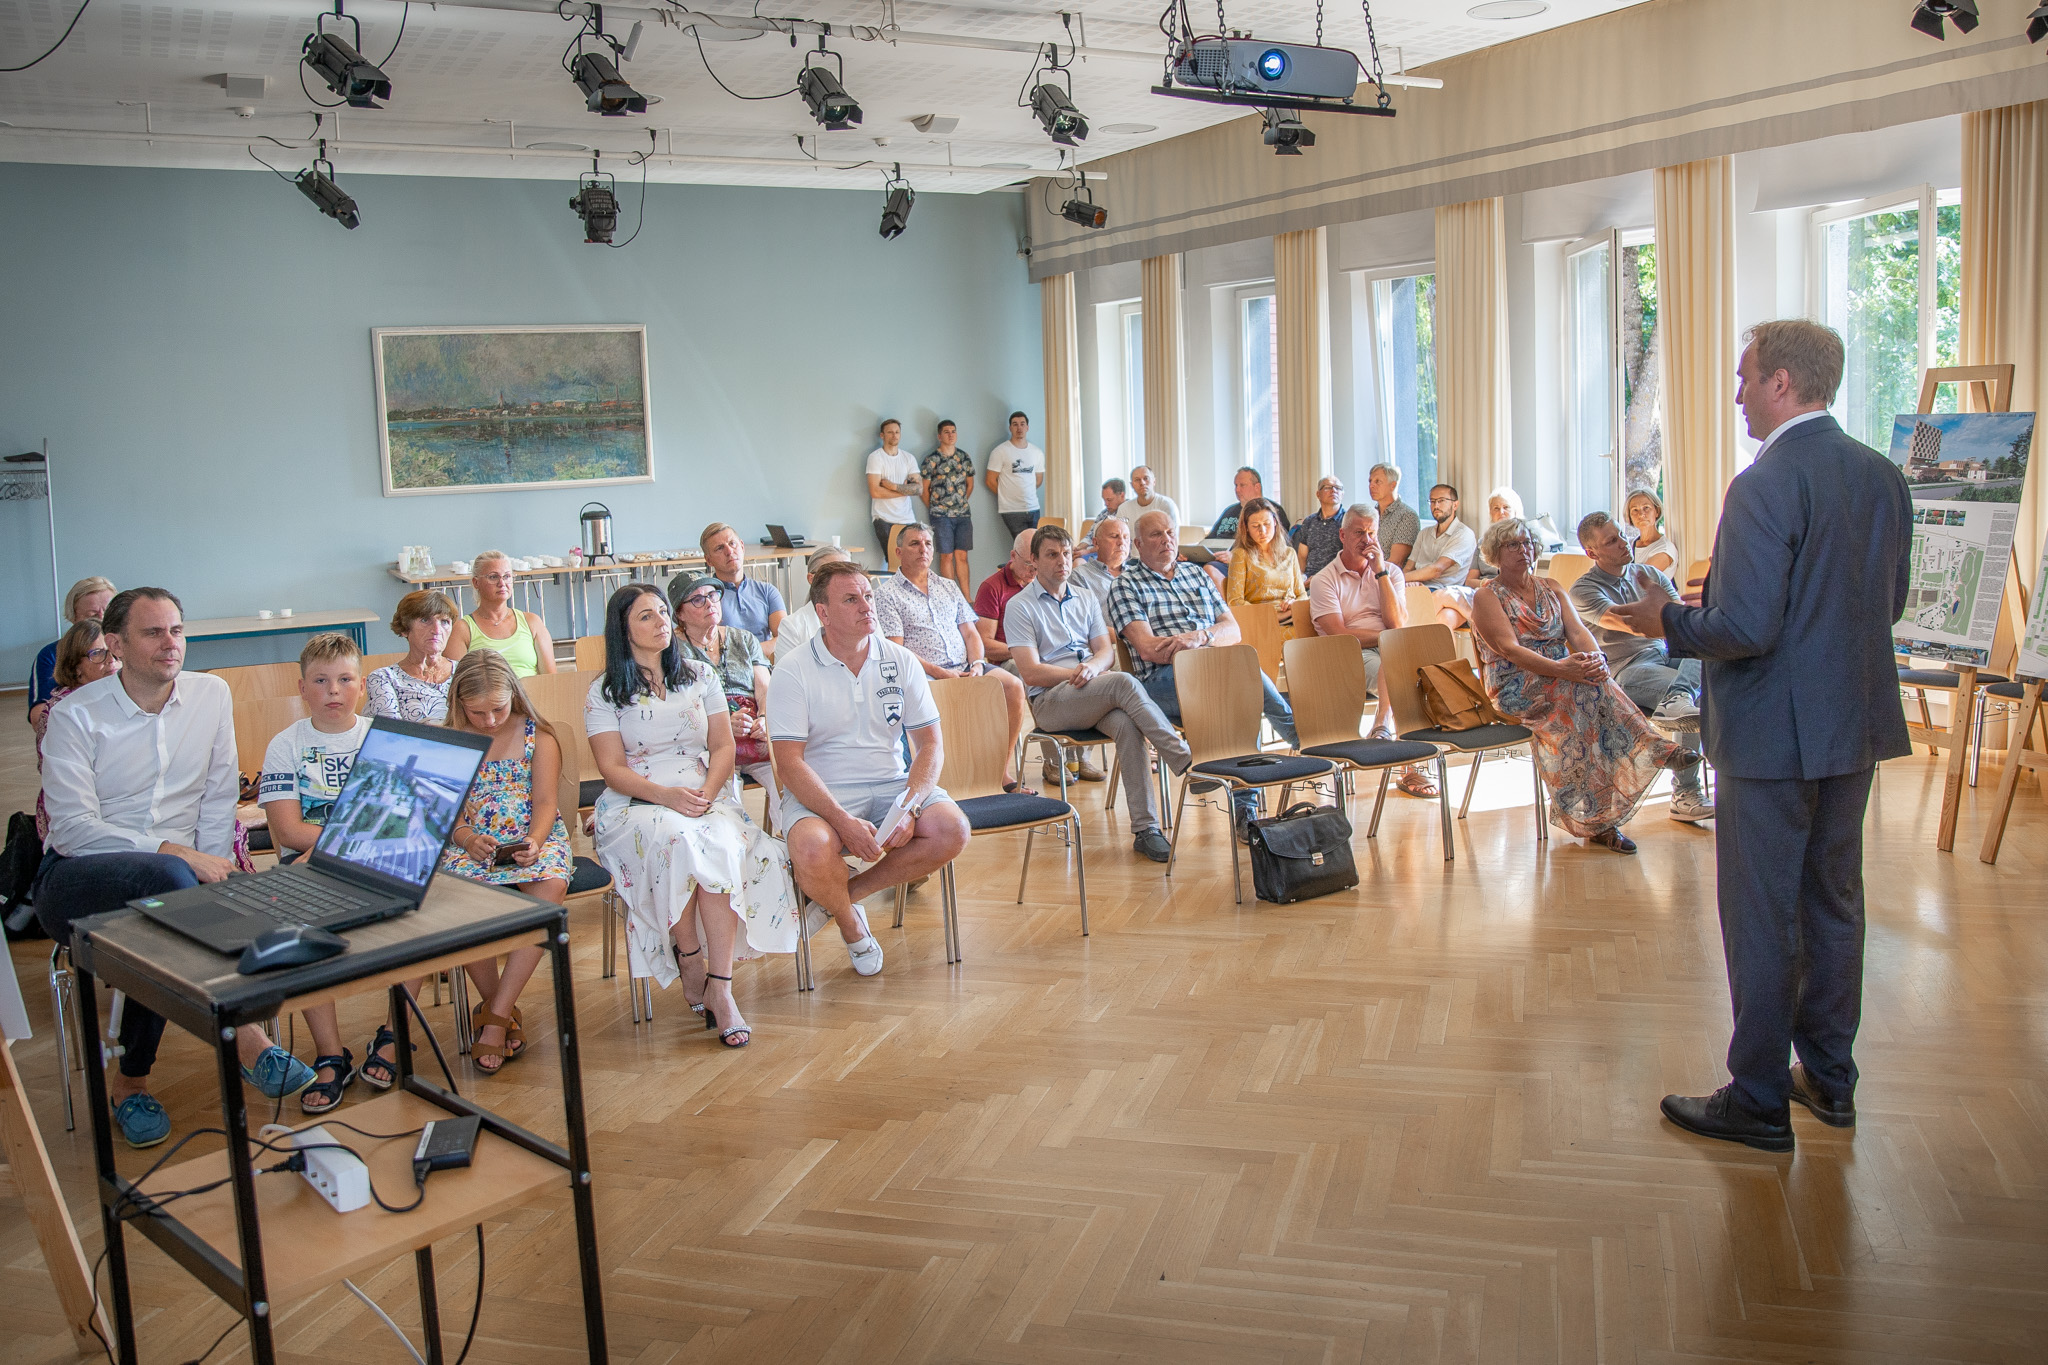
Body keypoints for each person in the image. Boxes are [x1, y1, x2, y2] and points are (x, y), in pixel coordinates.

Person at [1605, 319, 1912, 1154]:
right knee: (1833, 903)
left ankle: (1759, 1098)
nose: (1736, 393)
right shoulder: (1884, 475)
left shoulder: (1764, 482)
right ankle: (1832, 1081)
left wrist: (1662, 617)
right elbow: (1889, 603)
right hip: (1854, 724)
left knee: (1761, 914)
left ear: (1782, 382)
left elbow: (1743, 624)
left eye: (1744, 377)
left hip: (1774, 733)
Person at [35, 588, 313, 1147]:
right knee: (170, 885)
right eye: (154, 633)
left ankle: (129, 1084)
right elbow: (71, 828)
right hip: (77, 877)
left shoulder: (209, 695)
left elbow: (216, 802)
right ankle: (246, 1039)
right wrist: (175, 853)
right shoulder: (75, 716)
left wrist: (212, 866)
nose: (172, 644)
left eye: (178, 631)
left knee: (166, 912)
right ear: (114, 644)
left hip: (179, 886)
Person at [587, 584, 799, 1047]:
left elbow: (723, 746)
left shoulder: (700, 675)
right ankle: (688, 955)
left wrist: (704, 792)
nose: (662, 621)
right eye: (646, 616)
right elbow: (611, 769)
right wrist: (667, 797)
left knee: (719, 843)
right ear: (623, 629)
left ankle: (719, 987)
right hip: (637, 799)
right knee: (676, 840)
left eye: (664, 612)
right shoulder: (604, 691)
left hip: (704, 788)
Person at [768, 561, 972, 978]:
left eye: (869, 596)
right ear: (823, 613)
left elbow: (930, 744)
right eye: (851, 599)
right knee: (811, 846)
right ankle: (851, 926)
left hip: (891, 785)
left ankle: (842, 895)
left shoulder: (900, 660)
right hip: (822, 792)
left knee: (953, 828)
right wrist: (841, 821)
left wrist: (910, 806)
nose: (867, 607)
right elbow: (789, 763)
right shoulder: (792, 668)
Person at [1469, 518, 1694, 856]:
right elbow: (1509, 649)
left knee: (1593, 683)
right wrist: (1564, 669)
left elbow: (1578, 633)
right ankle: (1647, 753)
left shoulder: (1552, 587)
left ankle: (1601, 817)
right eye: (1512, 545)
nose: (1523, 549)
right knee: (1581, 692)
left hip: (1563, 676)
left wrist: (1595, 660)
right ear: (1495, 553)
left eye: (1527, 542)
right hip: (1517, 685)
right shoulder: (1487, 595)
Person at [1006, 526, 1210, 863]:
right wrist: (1077, 672)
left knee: (1127, 726)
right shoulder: (1020, 606)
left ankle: (1146, 830)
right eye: (1052, 555)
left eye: (1067, 554)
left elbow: (1106, 652)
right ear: (1034, 561)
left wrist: (1092, 669)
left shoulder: (1084, 598)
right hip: (1051, 701)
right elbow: (1030, 671)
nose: (1062, 562)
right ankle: (1182, 758)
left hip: (1090, 689)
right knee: (1123, 683)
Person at [1110, 510, 1299, 840]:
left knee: (1240, 686)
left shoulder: (1196, 576)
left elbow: (1233, 630)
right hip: (1160, 683)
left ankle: (1245, 807)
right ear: (1138, 544)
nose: (1166, 539)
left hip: (1213, 674)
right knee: (1241, 680)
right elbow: (1149, 649)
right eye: (1156, 535)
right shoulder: (1125, 585)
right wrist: (1205, 642)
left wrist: (1200, 637)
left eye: (1170, 532)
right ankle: (1301, 736)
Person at [435, 650, 572, 1075]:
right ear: (459, 703)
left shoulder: (539, 736)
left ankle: (494, 1016)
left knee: (550, 885)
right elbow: (448, 811)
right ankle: (500, 1015)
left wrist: (532, 841)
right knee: (457, 904)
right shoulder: (450, 739)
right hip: (472, 842)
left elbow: (547, 803)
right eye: (478, 712)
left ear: (514, 694)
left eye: (498, 709)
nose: (491, 720)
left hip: (535, 835)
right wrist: (466, 837)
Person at [257, 633, 373, 1114]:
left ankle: (392, 1035)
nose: (334, 691)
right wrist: (338, 847)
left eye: (345, 680)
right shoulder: (286, 745)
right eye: (321, 681)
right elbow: (286, 830)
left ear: (361, 686)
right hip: (310, 862)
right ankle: (331, 1054)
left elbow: (390, 816)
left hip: (374, 855)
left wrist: (339, 846)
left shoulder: (379, 736)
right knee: (295, 932)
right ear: (302, 688)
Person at [1568, 512, 1713, 824]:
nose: (1624, 543)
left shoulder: (1650, 574)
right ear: (1592, 552)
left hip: (1666, 654)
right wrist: (1668, 619)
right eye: (1612, 541)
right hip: (1627, 668)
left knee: (1708, 656)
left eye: (1622, 535)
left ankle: (1677, 698)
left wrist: (1677, 622)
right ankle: (1686, 792)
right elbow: (1630, 625)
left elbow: (1680, 627)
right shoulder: (1583, 590)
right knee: (1697, 696)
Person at [877, 523, 1038, 794]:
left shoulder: (948, 586)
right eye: (915, 543)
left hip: (966, 666)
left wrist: (976, 663)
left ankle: (1001, 772)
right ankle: (940, 780)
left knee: (1013, 686)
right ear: (898, 551)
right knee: (925, 694)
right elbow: (898, 651)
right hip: (924, 673)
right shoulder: (887, 593)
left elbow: (971, 634)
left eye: (928, 543)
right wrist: (940, 673)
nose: (923, 549)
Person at [1308, 504, 1431, 798]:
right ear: (1342, 535)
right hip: (1347, 657)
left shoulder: (1391, 573)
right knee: (1401, 666)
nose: (1367, 539)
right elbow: (1340, 634)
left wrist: (1381, 573)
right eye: (1359, 532)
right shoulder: (1325, 579)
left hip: (1386, 651)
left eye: (1372, 532)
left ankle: (1382, 729)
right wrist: (1387, 637)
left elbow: (1397, 622)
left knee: (1406, 667)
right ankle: (1408, 765)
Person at [975, 529, 1087, 784]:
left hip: (1050, 656)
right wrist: (1028, 651)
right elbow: (985, 644)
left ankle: (1079, 753)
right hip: (1007, 662)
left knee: (1084, 667)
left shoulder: (1054, 585)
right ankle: (1053, 760)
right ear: (1013, 556)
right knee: (1028, 670)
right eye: (1028, 563)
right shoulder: (992, 587)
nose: (1033, 570)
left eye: (1037, 563)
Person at [671, 573, 775, 792]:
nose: (710, 603)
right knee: (725, 797)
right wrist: (723, 724)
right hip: (705, 745)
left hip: (755, 738)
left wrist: (764, 718)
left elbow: (765, 689)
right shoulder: (672, 650)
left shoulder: (744, 639)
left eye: (713, 595)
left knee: (787, 787)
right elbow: (676, 707)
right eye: (698, 600)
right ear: (680, 613)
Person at [32, 620, 118, 843]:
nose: (111, 661)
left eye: (114, 653)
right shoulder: (59, 712)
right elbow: (60, 781)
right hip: (75, 813)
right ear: (75, 666)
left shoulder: (120, 697)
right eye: (98, 654)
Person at [448, 550, 557, 677]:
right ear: (476, 583)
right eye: (493, 577)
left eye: (507, 576)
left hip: (531, 695)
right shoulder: (462, 629)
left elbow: (551, 679)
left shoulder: (532, 622)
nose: (502, 583)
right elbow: (457, 685)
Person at [28, 575, 115, 731]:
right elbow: (38, 718)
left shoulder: (129, 647)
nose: (103, 621)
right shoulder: (50, 654)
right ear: (74, 617)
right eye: (93, 615)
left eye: (108, 613)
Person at [694, 522, 786, 659]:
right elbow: (706, 647)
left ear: (742, 546)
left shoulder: (767, 591)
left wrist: (750, 653)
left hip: (766, 669)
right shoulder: (706, 599)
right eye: (719, 548)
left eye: (732, 543)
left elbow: (785, 638)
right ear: (709, 560)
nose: (729, 551)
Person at [365, 589, 458, 723]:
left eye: (444, 622)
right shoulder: (384, 678)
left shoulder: (465, 672)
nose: (437, 630)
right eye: (425, 620)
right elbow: (392, 735)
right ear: (404, 629)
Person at [1223, 497, 1306, 624]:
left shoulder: (1290, 553)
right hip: (1262, 621)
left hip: (1292, 615)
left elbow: (1302, 595)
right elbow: (1235, 602)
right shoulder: (1241, 555)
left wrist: (1294, 603)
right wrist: (1272, 615)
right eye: (1255, 526)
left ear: (1274, 522)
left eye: (1267, 524)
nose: (1263, 531)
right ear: (1246, 528)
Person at [919, 418, 977, 599]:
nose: (951, 435)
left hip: (963, 514)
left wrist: (959, 503)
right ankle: (951, 597)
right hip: (940, 515)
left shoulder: (964, 457)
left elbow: (970, 484)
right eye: (946, 432)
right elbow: (924, 489)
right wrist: (936, 507)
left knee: (962, 555)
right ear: (939, 436)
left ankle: (966, 598)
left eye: (953, 431)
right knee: (946, 556)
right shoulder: (931, 459)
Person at [1408, 485, 1480, 629]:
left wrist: (1399, 578)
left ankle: (1405, 643)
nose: (1436, 505)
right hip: (1418, 588)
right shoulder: (1424, 534)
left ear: (1455, 504)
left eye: (1441, 501)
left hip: (1445, 590)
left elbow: (1437, 570)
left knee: (1442, 620)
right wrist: (1406, 582)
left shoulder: (1463, 534)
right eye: (1432, 501)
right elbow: (1409, 566)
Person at [775, 545, 849, 659]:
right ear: (811, 579)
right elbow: (784, 674)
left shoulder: (865, 614)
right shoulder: (792, 626)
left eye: (849, 573)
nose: (845, 580)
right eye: (832, 574)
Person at [866, 417, 923, 554]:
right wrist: (905, 490)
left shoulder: (908, 458)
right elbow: (876, 492)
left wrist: (892, 486)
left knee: (913, 560)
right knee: (893, 560)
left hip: (908, 519)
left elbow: (918, 489)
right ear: (882, 435)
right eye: (890, 432)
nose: (894, 435)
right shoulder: (875, 458)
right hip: (884, 519)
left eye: (897, 432)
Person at [985, 410, 1045, 537]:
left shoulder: (1037, 452)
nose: (1019, 428)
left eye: (1022, 424)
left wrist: (1024, 491)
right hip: (1012, 510)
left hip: (1033, 507)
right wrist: (1007, 495)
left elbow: (1038, 480)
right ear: (1010, 428)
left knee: (1036, 545)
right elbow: (990, 481)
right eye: (1015, 424)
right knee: (1023, 546)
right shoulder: (1000, 451)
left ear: (1027, 427)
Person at [1071, 514, 1133, 622]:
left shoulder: (1136, 574)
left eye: (1126, 537)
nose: (1121, 542)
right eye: (1114, 536)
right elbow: (1082, 623)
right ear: (1096, 543)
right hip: (1110, 637)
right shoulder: (1080, 576)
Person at [1208, 467, 1292, 541]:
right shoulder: (1229, 511)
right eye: (1236, 485)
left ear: (1257, 487)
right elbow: (1210, 538)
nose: (1237, 490)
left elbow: (1278, 542)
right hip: (1217, 552)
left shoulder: (1270, 510)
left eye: (1242, 485)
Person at [1291, 476, 1346, 579]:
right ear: (1318, 494)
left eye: (1337, 488)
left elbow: (1350, 559)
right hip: (1309, 580)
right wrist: (1301, 581)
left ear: (1342, 494)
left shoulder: (1348, 521)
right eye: (1328, 487)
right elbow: (1302, 557)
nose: (1333, 490)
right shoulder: (1309, 521)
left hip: (1335, 581)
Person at [1368, 463, 1421, 569]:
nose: (1371, 485)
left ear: (1393, 485)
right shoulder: (1370, 514)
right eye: (1370, 481)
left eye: (1377, 481)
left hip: (1388, 579)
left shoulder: (1407, 516)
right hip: (1365, 574)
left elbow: (1396, 562)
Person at [1113, 464, 1182, 532]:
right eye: (1137, 480)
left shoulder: (1167, 505)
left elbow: (1174, 536)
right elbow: (1120, 537)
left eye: (1146, 478)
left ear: (1154, 481)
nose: (1142, 483)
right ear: (1132, 485)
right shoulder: (1124, 509)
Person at [1625, 489, 1679, 573]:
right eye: (1635, 510)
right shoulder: (1628, 544)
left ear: (1656, 511)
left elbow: (1638, 582)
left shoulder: (1665, 549)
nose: (1641, 514)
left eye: (1646, 508)